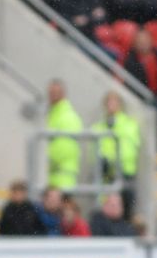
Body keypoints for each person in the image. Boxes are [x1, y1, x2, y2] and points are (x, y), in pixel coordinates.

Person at [91, 91, 140, 219]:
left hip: (125, 173)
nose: (111, 105)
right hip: (107, 175)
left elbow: (129, 148)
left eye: (114, 102)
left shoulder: (129, 124)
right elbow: (96, 150)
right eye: (109, 102)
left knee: (125, 210)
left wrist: (112, 162)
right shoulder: (99, 126)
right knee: (105, 211)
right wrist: (104, 161)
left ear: (120, 105)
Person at [46, 79, 83, 190]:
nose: (52, 96)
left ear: (63, 94)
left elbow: (65, 149)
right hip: (52, 175)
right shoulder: (53, 114)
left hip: (63, 176)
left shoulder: (68, 116)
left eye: (55, 93)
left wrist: (45, 159)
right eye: (51, 93)